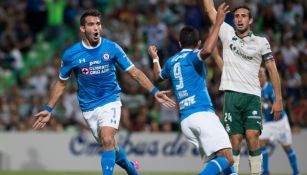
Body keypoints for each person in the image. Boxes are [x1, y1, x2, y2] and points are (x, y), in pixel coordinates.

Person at [32, 9, 176, 175]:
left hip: (110, 100)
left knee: (107, 139)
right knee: (111, 147)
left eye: (98, 24)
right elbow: (61, 83)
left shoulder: (112, 48)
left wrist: (154, 91)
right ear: (82, 29)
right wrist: (49, 109)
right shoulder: (71, 54)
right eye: (91, 24)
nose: (96, 28)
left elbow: (134, 72)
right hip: (88, 107)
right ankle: (132, 170)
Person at [148, 3, 237, 175]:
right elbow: (208, 51)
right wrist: (218, 22)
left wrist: (154, 59)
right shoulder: (192, 56)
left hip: (186, 121)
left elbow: (157, 77)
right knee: (228, 158)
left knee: (221, 161)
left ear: (180, 42)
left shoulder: (172, 61)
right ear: (198, 43)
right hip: (201, 114)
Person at [203, 0, 283, 174]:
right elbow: (210, 9)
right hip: (231, 96)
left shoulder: (261, 42)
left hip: (252, 97)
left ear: (250, 20)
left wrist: (278, 99)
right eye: (236, 16)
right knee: (234, 141)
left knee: (253, 137)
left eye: (243, 16)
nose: (239, 19)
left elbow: (272, 69)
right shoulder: (227, 33)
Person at [259, 67, 300, 175]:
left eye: (261, 73)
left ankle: (296, 172)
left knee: (287, 148)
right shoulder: (256, 90)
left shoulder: (271, 88)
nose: (260, 75)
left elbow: (278, 107)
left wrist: (265, 105)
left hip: (280, 122)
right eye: (258, 74)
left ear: (266, 75)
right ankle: (266, 172)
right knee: (261, 143)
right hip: (268, 122)